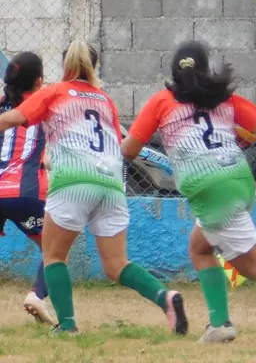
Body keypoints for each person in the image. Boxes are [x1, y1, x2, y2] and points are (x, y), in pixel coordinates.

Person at [121, 41, 256, 344]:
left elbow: (131, 149)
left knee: (253, 266)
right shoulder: (223, 100)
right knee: (200, 248)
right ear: (205, 68)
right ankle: (219, 323)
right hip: (237, 180)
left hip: (209, 188)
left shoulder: (161, 102)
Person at [0, 41, 188, 336]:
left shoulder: (53, 92)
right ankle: (165, 298)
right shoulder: (105, 100)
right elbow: (122, 146)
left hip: (72, 182)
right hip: (111, 184)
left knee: (53, 255)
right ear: (95, 67)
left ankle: (68, 326)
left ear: (65, 67)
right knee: (116, 264)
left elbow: (15, 118)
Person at [0, 52, 55, 325]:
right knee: (55, 249)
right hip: (26, 193)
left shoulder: (1, 103)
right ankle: (36, 295)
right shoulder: (45, 103)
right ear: (39, 81)